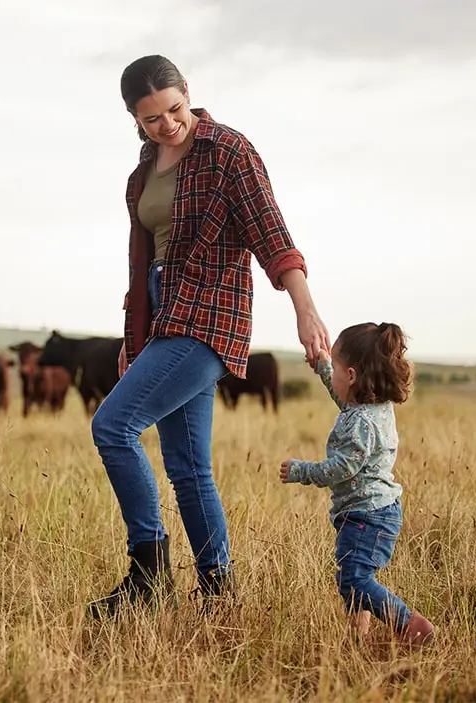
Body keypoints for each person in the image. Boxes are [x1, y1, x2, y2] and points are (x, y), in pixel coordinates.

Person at [88, 54, 331, 618]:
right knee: (188, 465)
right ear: (134, 119)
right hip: (162, 316)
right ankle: (220, 593)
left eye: (174, 110)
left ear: (187, 93)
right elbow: (141, 262)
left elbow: (272, 234)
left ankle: (148, 576)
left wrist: (305, 308)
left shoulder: (228, 151)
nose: (167, 125)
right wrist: (135, 334)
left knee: (113, 426)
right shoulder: (142, 171)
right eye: (151, 119)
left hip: (209, 315)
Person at [279, 322, 435, 647]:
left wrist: (301, 471)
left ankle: (409, 624)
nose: (332, 374)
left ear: (351, 376)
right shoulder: (369, 408)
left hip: (368, 517)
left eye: (335, 368)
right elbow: (338, 390)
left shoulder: (360, 423)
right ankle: (357, 639)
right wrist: (322, 364)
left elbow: (342, 468)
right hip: (371, 513)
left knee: (353, 579)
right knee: (354, 577)